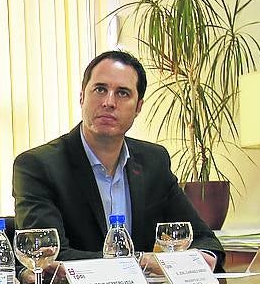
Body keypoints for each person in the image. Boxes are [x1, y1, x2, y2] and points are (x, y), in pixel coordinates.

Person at [12, 50, 224, 270]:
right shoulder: (37, 166)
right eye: (100, 89)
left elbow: (204, 240)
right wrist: (140, 261)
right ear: (82, 97)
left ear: (138, 107)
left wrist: (197, 260)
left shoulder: (153, 161)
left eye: (122, 93)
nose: (109, 102)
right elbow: (47, 257)